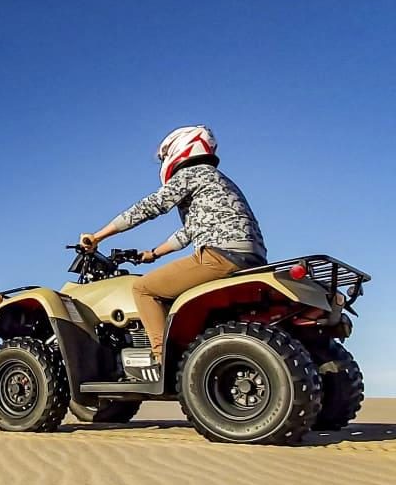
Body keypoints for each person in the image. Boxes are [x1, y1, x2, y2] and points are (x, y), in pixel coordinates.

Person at [79, 125, 266, 365]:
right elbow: (188, 232)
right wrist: (153, 253)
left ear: (181, 148)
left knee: (143, 289)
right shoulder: (220, 180)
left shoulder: (191, 173)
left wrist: (97, 236)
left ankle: (161, 359)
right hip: (251, 256)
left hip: (219, 255)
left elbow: (148, 208)